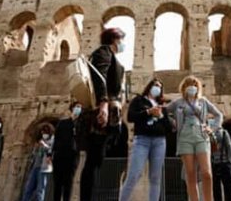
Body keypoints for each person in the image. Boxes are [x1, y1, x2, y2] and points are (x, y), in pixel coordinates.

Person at [80, 27, 126, 201]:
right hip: (101, 111)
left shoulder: (107, 54)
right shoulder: (103, 52)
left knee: (97, 159)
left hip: (106, 110)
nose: (123, 43)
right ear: (115, 39)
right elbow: (100, 78)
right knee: (93, 160)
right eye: (122, 39)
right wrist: (104, 105)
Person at [166, 75, 223, 201]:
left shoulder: (203, 101)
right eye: (189, 85)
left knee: (206, 173)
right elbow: (164, 112)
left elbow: (219, 115)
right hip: (185, 136)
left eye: (194, 85)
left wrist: (212, 128)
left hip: (201, 135)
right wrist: (173, 122)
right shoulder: (178, 102)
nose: (192, 87)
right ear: (184, 88)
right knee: (190, 174)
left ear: (198, 88)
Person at [119, 79, 170, 201]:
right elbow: (130, 117)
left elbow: (168, 127)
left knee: (156, 178)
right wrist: (148, 112)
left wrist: (161, 115)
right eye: (156, 85)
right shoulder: (138, 100)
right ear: (150, 86)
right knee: (133, 175)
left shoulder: (162, 106)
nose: (158, 88)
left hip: (159, 141)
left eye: (160, 87)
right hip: (142, 140)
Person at [52, 102, 82, 201]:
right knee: (57, 184)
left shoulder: (80, 125)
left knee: (68, 184)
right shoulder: (63, 123)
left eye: (80, 108)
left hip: (72, 157)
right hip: (60, 156)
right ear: (72, 108)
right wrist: (51, 154)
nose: (79, 109)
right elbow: (56, 139)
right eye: (77, 107)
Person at [22, 123, 55, 201]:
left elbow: (51, 151)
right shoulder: (40, 141)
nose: (44, 133)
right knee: (28, 188)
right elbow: (35, 153)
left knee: (40, 190)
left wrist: (44, 145)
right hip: (35, 166)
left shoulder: (52, 140)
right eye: (42, 132)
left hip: (44, 168)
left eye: (46, 131)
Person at [210, 119, 231, 201]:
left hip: (217, 163)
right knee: (227, 186)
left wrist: (229, 161)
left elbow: (229, 147)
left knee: (217, 187)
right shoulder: (224, 133)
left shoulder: (222, 133)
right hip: (222, 162)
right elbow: (229, 147)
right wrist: (229, 161)